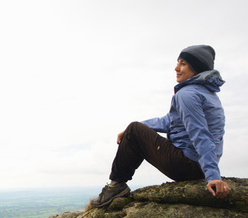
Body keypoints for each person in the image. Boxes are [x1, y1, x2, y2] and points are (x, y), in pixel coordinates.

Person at [90, 44, 230, 208]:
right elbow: (169, 121)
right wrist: (131, 130)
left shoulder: (187, 95)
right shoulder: (206, 93)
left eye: (183, 64)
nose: (176, 68)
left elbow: (200, 134)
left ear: (197, 68)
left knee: (134, 129)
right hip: (197, 165)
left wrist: (213, 175)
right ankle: (117, 184)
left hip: (188, 165)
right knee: (134, 129)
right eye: (178, 62)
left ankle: (116, 186)